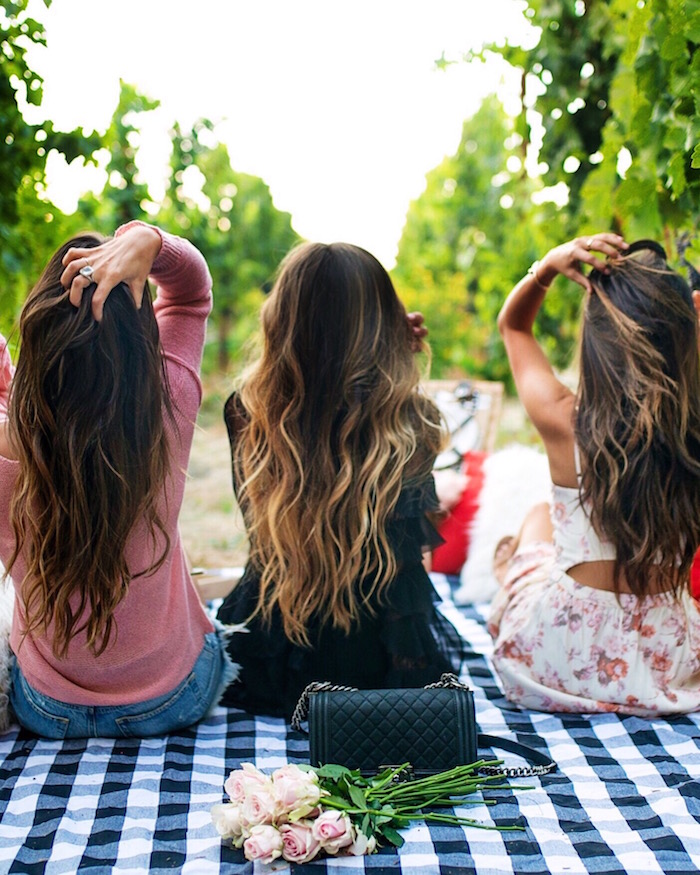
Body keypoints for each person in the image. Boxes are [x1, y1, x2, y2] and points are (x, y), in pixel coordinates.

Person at [2, 220, 237, 738]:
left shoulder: (7, 444)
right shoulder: (170, 401)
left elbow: (26, 408)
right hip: (171, 700)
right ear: (141, 337)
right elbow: (192, 292)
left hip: (47, 708)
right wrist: (146, 240)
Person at [216, 241, 465, 718]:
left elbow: (261, 537)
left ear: (280, 320)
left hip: (270, 655)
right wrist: (397, 362)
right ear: (384, 325)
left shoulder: (248, 411)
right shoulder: (410, 420)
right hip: (371, 672)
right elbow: (403, 576)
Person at [490, 233, 700, 715]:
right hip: (663, 661)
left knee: (540, 517)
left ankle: (511, 569)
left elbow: (514, 328)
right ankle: (517, 567)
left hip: (561, 654)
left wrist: (544, 268)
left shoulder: (565, 421)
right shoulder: (695, 436)